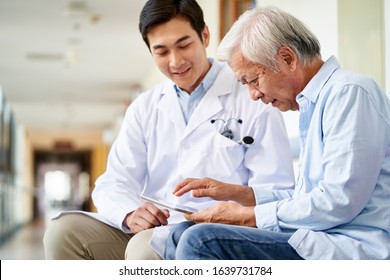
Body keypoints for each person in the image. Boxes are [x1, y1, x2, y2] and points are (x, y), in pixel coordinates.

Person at [43, 1, 295, 260]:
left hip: (220, 231)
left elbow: (275, 187)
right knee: (63, 232)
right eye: (161, 51)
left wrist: (233, 207)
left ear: (205, 36)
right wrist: (130, 213)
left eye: (184, 45)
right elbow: (114, 183)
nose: (176, 61)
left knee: (144, 250)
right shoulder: (145, 107)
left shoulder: (253, 95)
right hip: (156, 227)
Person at [165, 6, 390, 260]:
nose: (253, 94)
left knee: (201, 240)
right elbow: (308, 198)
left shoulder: (349, 93)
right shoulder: (313, 105)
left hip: (349, 247)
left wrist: (249, 217)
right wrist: (237, 194)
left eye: (253, 80)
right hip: (319, 236)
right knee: (181, 232)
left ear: (287, 58)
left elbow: (338, 201)